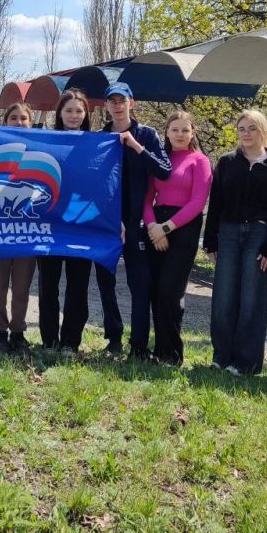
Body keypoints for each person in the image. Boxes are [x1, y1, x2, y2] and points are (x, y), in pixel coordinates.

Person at [203, 110, 267, 376]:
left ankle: (245, 362)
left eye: (252, 128)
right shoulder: (227, 161)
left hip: (259, 234)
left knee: (252, 298)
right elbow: (216, 201)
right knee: (224, 297)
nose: (246, 133)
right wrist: (210, 239)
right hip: (228, 232)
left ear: (262, 130)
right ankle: (221, 356)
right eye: (242, 129)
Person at [94, 82, 171, 359]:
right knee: (106, 283)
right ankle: (113, 339)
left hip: (137, 222)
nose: (117, 106)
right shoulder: (98, 138)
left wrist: (136, 146)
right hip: (107, 223)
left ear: (132, 103)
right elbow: (92, 183)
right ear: (106, 106)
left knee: (140, 285)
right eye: (112, 101)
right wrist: (111, 218)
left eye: (122, 101)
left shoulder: (146, 134)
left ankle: (138, 346)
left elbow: (164, 171)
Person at [142, 111, 212, 365]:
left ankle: (172, 354)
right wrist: (153, 226)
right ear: (167, 133)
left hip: (183, 228)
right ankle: (159, 350)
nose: (180, 134)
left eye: (185, 130)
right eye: (175, 130)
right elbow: (147, 198)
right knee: (155, 291)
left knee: (170, 291)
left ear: (193, 133)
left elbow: (198, 201)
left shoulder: (200, 161)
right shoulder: (160, 160)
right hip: (156, 226)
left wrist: (166, 228)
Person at [36, 90, 93, 355]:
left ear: (86, 114)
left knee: (78, 287)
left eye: (79, 111)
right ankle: (49, 341)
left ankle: (71, 342)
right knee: (48, 286)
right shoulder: (46, 142)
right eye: (69, 110)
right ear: (59, 113)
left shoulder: (96, 143)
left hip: (81, 226)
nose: (74, 116)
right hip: (50, 225)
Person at [0, 101, 37, 355]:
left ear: (31, 122)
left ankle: (18, 332)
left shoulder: (40, 148)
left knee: (21, 286)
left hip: (27, 233)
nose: (19, 122)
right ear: (5, 121)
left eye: (23, 118)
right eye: (13, 118)